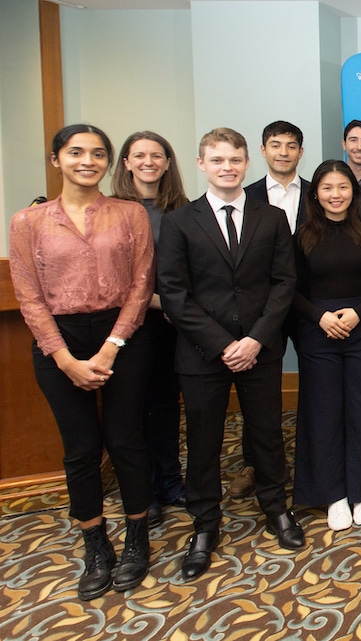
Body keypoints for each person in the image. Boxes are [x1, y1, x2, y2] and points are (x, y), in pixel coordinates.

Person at [10, 124, 155, 599]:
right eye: (76, 153)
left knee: (127, 439)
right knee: (80, 448)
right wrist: (65, 359)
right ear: (56, 160)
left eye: (97, 153)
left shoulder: (130, 214)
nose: (87, 161)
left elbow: (141, 284)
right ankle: (95, 542)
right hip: (59, 341)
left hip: (122, 334)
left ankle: (136, 534)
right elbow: (28, 298)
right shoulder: (27, 222)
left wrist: (112, 344)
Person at [157, 127, 304, 581]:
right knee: (203, 441)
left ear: (247, 163)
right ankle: (205, 525)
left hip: (260, 348)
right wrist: (224, 344)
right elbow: (174, 293)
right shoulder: (180, 221)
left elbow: (284, 284)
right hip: (203, 354)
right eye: (218, 160)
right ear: (202, 164)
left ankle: (276, 508)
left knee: (267, 433)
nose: (228, 167)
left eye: (235, 159)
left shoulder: (271, 218)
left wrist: (256, 339)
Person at [292, 160, 361, 531]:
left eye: (343, 187)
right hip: (319, 332)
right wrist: (320, 317)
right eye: (328, 188)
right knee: (323, 412)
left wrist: (358, 313)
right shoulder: (302, 235)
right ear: (316, 193)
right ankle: (332, 493)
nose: (336, 195)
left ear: (354, 191)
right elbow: (292, 290)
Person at [227, 121, 312, 501]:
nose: (283, 152)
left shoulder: (319, 194)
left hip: (310, 303)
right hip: (263, 308)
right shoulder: (243, 197)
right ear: (262, 151)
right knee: (259, 390)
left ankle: (313, 459)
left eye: (290, 146)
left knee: (316, 382)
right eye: (275, 145)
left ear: (300, 151)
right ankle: (254, 464)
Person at [111, 130, 190, 528]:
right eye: (139, 155)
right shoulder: (111, 210)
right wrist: (166, 303)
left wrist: (179, 309)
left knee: (164, 406)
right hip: (129, 324)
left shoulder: (181, 210)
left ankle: (171, 483)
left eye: (156, 155)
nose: (148, 162)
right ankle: (144, 492)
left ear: (167, 162)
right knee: (133, 410)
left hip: (172, 326)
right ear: (125, 162)